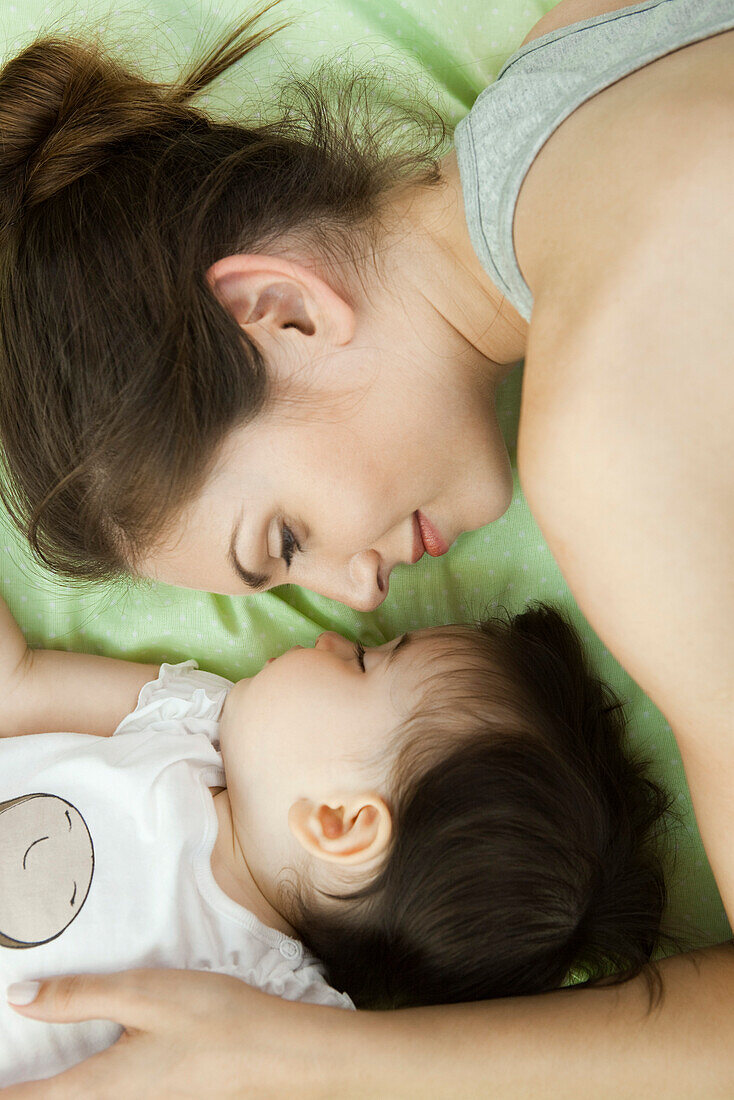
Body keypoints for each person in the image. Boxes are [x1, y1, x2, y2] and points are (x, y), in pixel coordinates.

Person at [0, 0, 731, 1095]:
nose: (356, 594)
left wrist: (305, 1057)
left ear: (282, 313)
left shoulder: (605, 446)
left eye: (280, 538)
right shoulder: (582, 43)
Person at [0, 590, 670, 1085]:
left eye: (359, 660)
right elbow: (16, 685)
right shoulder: (186, 722)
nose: (329, 636)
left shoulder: (275, 1020)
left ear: (341, 824)